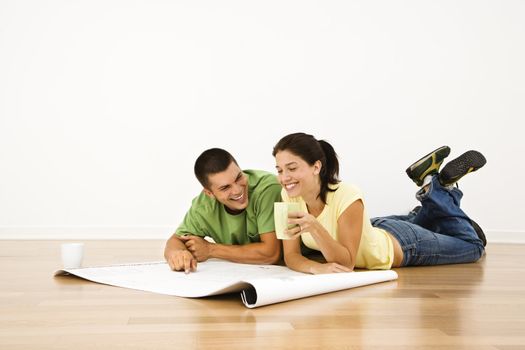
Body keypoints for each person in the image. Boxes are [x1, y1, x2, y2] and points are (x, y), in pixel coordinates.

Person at [272, 132, 486, 274]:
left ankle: (439, 187)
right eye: (280, 170)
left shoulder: (347, 194)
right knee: (431, 221)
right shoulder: (288, 195)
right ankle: (430, 202)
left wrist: (315, 227)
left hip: (404, 245)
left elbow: (346, 263)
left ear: (316, 167)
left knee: (474, 246)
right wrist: (316, 269)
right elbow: (291, 256)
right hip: (374, 227)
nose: (284, 178)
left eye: (292, 168)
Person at [164, 148, 282, 273]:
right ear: (209, 193)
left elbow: (271, 254)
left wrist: (211, 250)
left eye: (238, 177)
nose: (237, 190)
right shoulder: (203, 207)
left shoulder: (267, 189)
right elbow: (175, 240)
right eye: (225, 187)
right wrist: (179, 254)